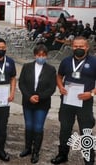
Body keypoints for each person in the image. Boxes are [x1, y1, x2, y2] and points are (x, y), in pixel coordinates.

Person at [50, 36, 96, 165]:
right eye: (75, 46)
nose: (78, 48)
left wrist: (91, 93)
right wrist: (60, 87)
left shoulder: (94, 62)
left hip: (85, 102)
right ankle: (62, 155)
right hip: (67, 101)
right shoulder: (66, 61)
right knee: (65, 129)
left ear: (86, 47)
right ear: (72, 47)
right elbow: (59, 76)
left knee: (86, 130)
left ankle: (89, 159)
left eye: (81, 46)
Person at [18, 44, 56, 164]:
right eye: (39, 55)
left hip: (42, 103)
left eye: (43, 55)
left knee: (38, 127)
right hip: (28, 102)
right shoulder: (27, 66)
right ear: (35, 55)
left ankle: (36, 152)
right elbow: (22, 84)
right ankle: (28, 148)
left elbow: (52, 88)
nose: (41, 57)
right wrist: (29, 96)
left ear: (46, 56)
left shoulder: (51, 69)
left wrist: (39, 97)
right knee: (29, 126)